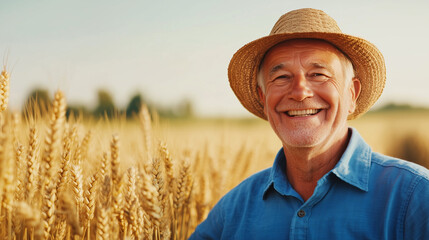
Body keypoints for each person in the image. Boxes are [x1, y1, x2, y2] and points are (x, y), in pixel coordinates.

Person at [189, 8, 429, 240]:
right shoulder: (232, 212)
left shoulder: (415, 197)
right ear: (263, 98)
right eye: (281, 77)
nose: (300, 92)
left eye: (318, 74)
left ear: (351, 94)